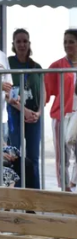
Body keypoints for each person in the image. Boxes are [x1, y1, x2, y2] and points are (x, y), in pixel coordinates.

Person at [45, 29, 77, 191]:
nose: (67, 45)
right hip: (62, 115)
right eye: (65, 42)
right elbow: (46, 91)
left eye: (71, 41)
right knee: (63, 156)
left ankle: (74, 181)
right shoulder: (56, 66)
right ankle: (64, 187)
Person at [7, 28, 43, 189]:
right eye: (18, 41)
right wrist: (24, 111)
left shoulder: (36, 66)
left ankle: (34, 192)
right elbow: (8, 92)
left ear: (29, 44)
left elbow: (43, 90)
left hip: (34, 115)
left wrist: (39, 112)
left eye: (25, 41)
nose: (22, 44)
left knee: (34, 156)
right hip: (15, 113)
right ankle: (16, 191)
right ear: (13, 44)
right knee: (14, 154)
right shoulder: (8, 63)